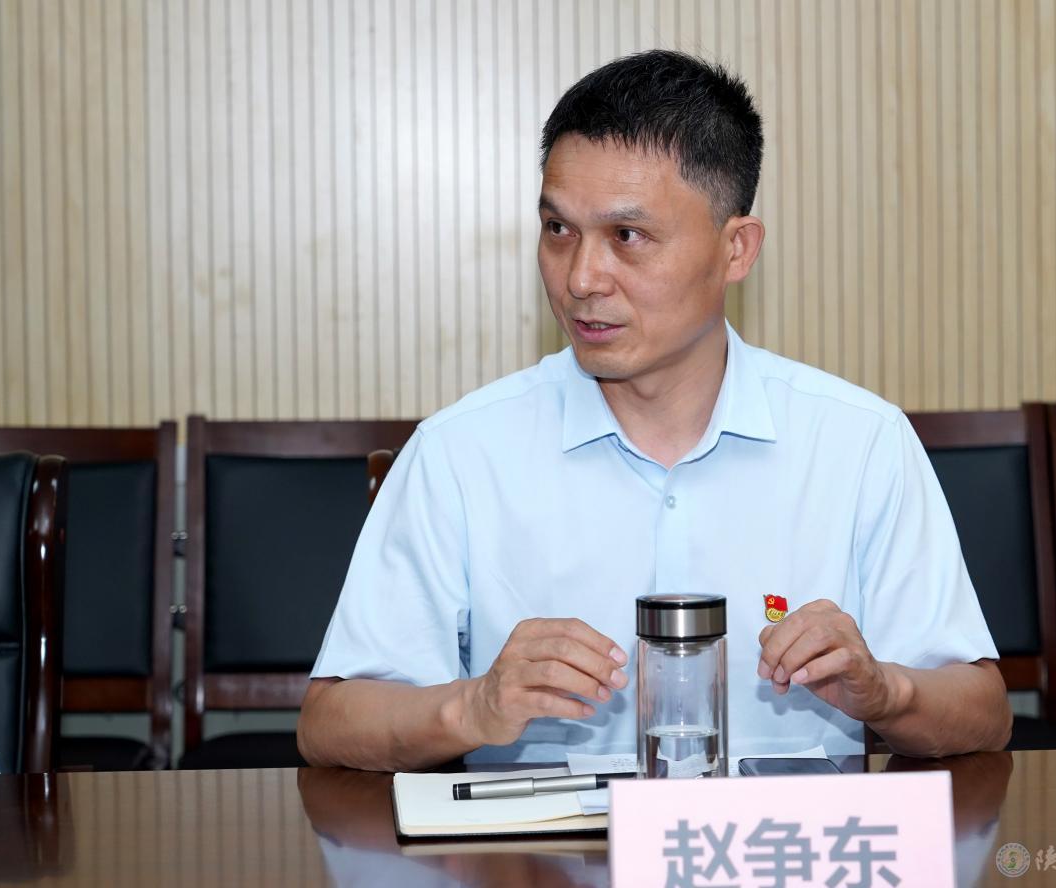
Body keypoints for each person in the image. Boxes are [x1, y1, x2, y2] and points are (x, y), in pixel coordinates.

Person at [298, 49, 1011, 772]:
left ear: (736, 250)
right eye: (558, 229)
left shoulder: (858, 442)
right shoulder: (462, 450)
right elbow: (330, 724)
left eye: (627, 237)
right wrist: (473, 706)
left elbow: (983, 713)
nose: (581, 278)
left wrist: (885, 691)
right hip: (545, 845)